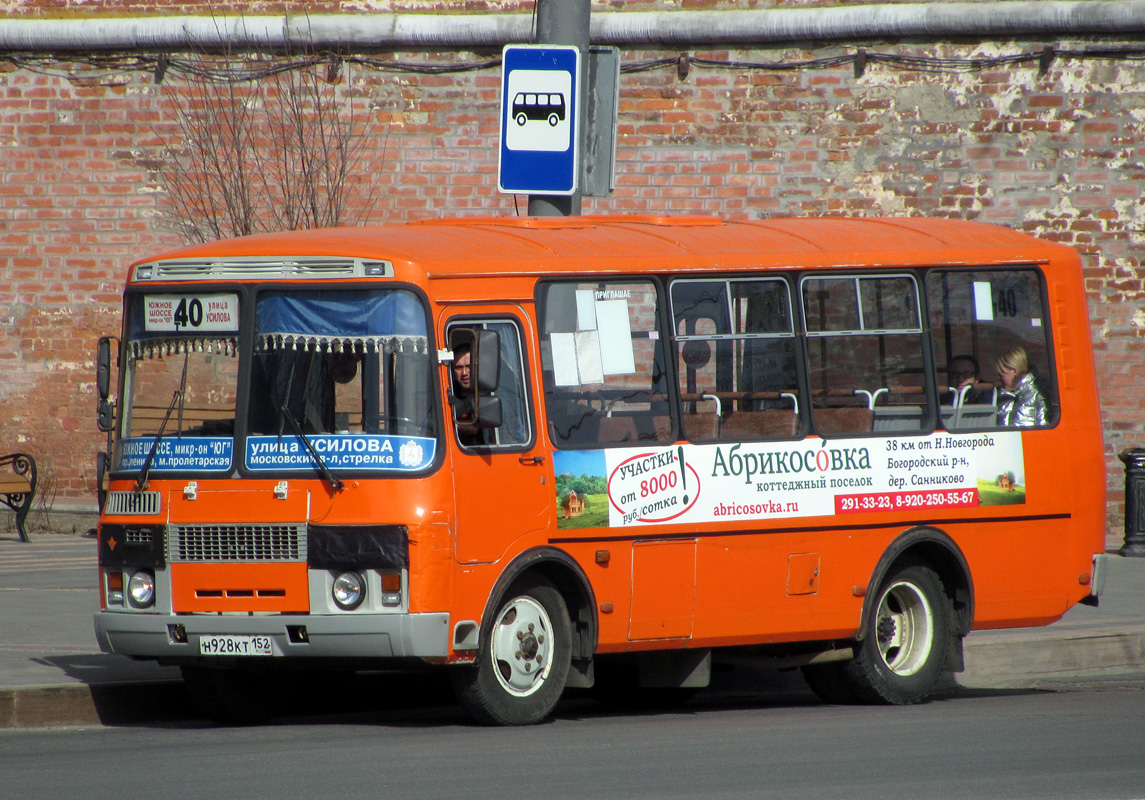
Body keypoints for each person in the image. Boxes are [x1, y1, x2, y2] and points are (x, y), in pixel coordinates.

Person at [995, 346, 1048, 427]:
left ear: (1015, 371)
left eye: (1002, 373)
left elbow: (1046, 429)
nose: (999, 378)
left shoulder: (1037, 394)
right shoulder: (1003, 397)